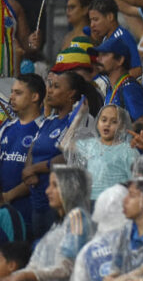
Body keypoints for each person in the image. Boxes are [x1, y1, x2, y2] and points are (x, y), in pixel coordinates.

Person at [25, 73, 95, 239]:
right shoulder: (48, 121)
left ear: (71, 93)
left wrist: (35, 168)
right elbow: (32, 148)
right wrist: (27, 169)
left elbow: (71, 156)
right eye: (50, 86)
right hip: (38, 202)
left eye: (56, 87)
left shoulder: (80, 120)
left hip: (62, 204)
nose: (49, 91)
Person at [7, 166, 92, 281]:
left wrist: (29, 275)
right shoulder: (58, 224)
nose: (47, 191)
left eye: (55, 185)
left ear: (71, 188)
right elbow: (35, 264)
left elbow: (68, 268)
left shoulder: (77, 218)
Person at [61, 105, 137, 200]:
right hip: (91, 202)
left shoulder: (128, 151)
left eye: (114, 122)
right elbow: (64, 143)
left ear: (122, 126)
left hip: (115, 204)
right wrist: (79, 116)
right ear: (97, 123)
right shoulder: (90, 144)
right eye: (104, 120)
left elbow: (136, 182)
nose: (107, 124)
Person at [0, 75, 44, 232]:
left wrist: (8, 196)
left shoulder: (44, 129)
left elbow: (37, 175)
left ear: (34, 96)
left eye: (18, 93)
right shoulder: (6, 128)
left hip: (29, 215)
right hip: (4, 216)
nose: (11, 97)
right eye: (12, 92)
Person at [90, 38, 143, 130]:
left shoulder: (129, 88)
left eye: (104, 54)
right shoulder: (112, 89)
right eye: (99, 55)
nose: (98, 59)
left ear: (120, 60)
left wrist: (120, 133)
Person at [85, 0, 142, 72]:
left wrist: (118, 82)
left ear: (110, 17)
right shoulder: (105, 38)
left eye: (95, 19)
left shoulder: (123, 37)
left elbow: (137, 69)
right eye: (91, 20)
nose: (92, 25)